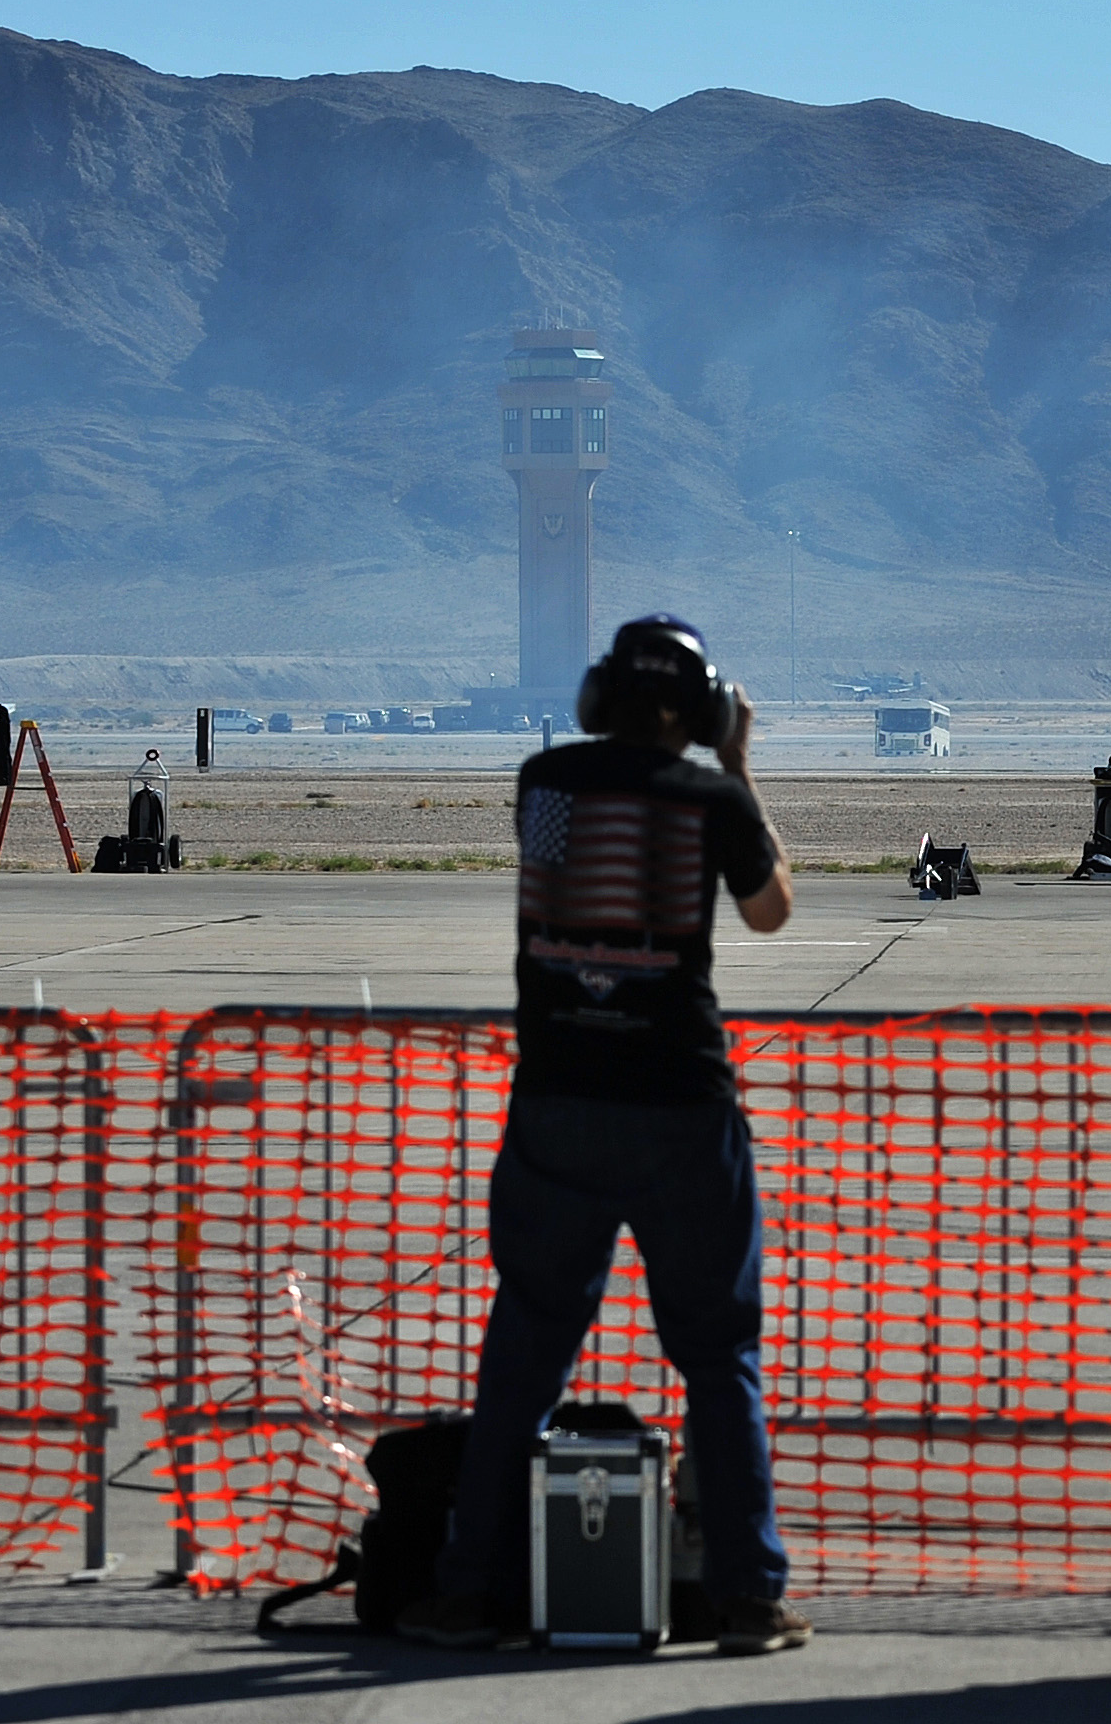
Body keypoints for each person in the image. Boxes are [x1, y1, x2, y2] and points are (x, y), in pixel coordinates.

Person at [401, 616, 810, 1655]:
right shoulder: (712, 797)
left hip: (556, 1106)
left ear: (598, 696)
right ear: (703, 708)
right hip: (680, 1102)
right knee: (719, 1359)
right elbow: (769, 913)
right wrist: (739, 764)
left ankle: (464, 1592)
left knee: (522, 1357)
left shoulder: (547, 783)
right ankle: (749, 1600)